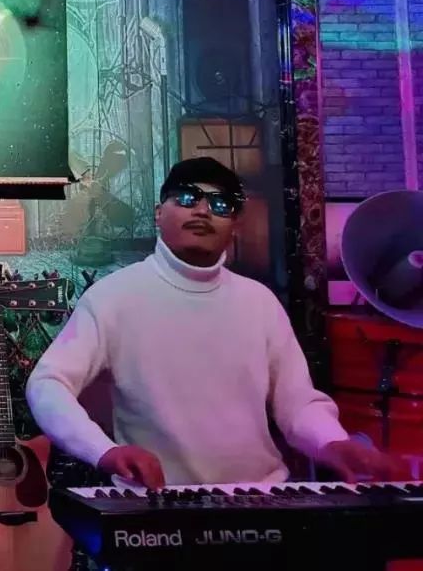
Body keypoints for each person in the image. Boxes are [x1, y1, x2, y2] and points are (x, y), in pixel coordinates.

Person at [26, 157, 407, 489]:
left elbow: (297, 403)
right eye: (187, 198)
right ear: (159, 213)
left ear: (235, 225)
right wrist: (104, 451)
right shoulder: (112, 297)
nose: (203, 211)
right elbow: (47, 384)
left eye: (220, 204)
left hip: (259, 499)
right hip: (152, 504)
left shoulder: (259, 302)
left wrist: (332, 442)